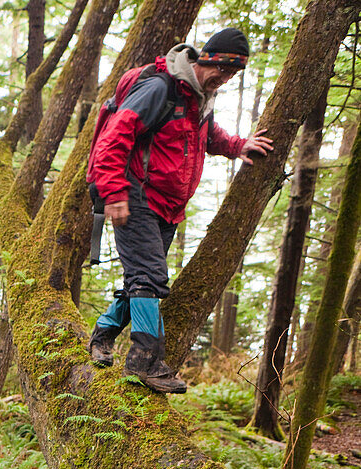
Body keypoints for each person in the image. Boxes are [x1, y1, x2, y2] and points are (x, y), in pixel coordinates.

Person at [86, 28, 273, 393]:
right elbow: (114, 137)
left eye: (233, 74)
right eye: (222, 68)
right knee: (149, 278)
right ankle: (145, 361)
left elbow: (205, 135)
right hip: (134, 195)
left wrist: (237, 146)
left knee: (142, 279)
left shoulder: (200, 97)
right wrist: (114, 193)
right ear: (206, 58)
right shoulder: (160, 89)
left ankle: (102, 336)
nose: (225, 78)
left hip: (168, 207)